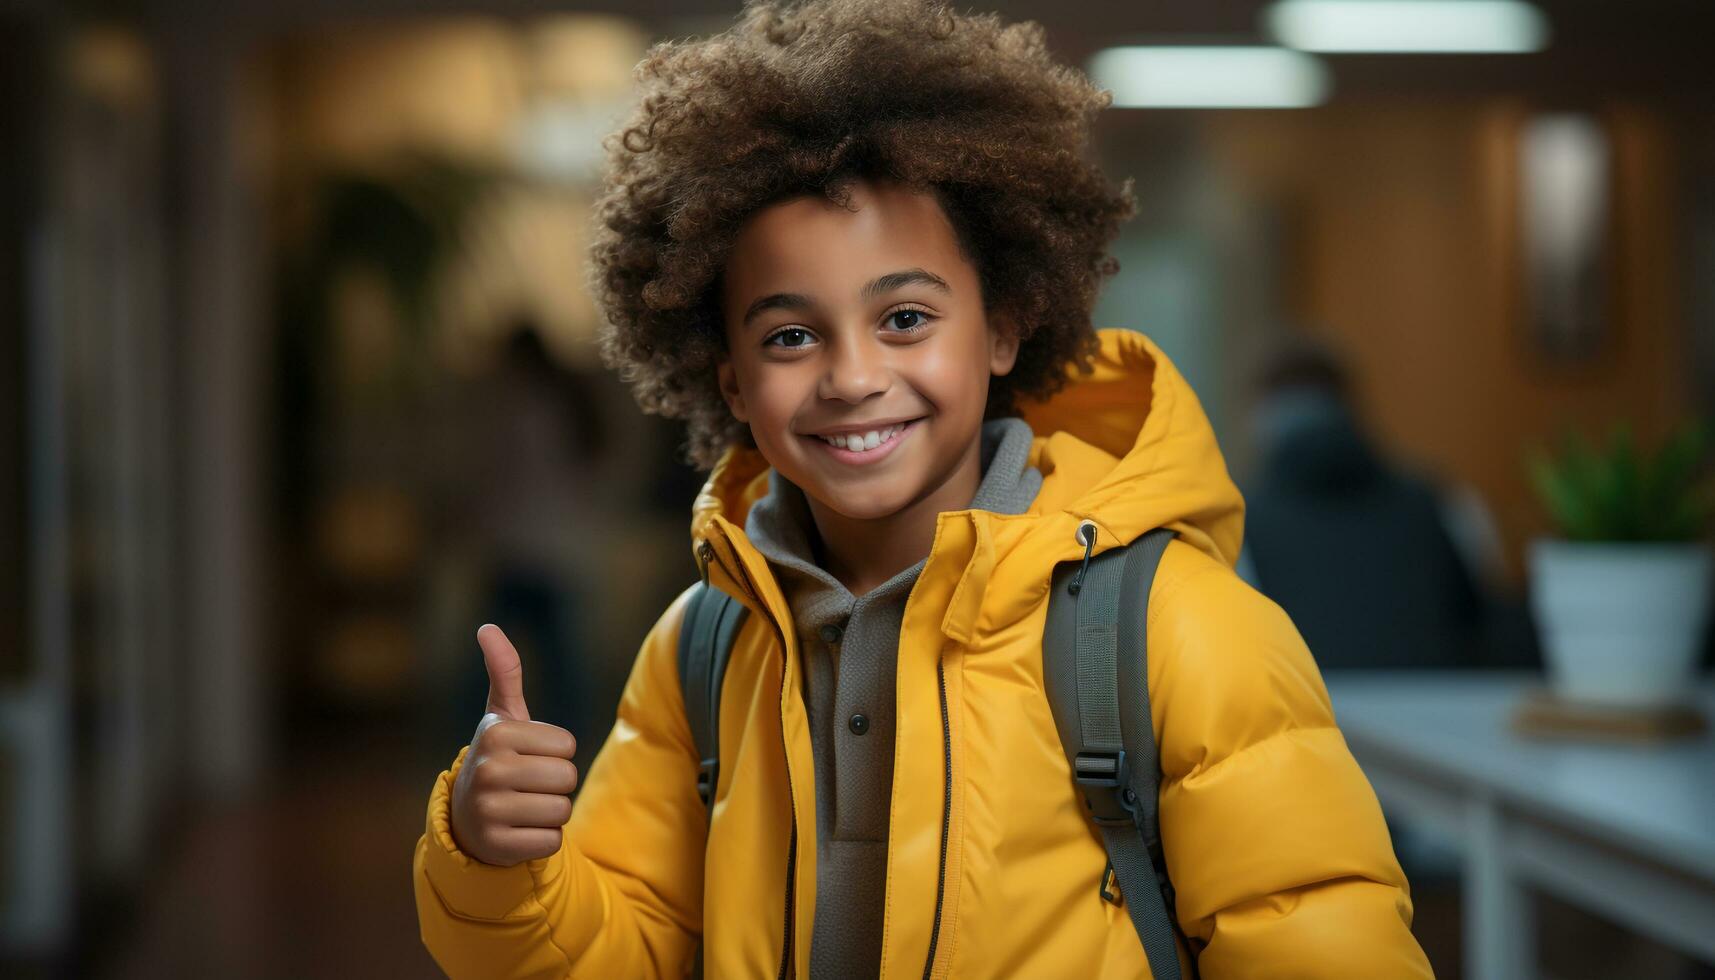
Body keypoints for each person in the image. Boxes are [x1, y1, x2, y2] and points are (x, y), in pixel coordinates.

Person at [412, 2, 1433, 976]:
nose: (852, 376)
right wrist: (496, 861)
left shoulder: (1177, 628)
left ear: (1002, 326)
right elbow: (613, 949)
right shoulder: (701, 646)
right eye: (788, 335)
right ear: (730, 379)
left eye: (903, 317)